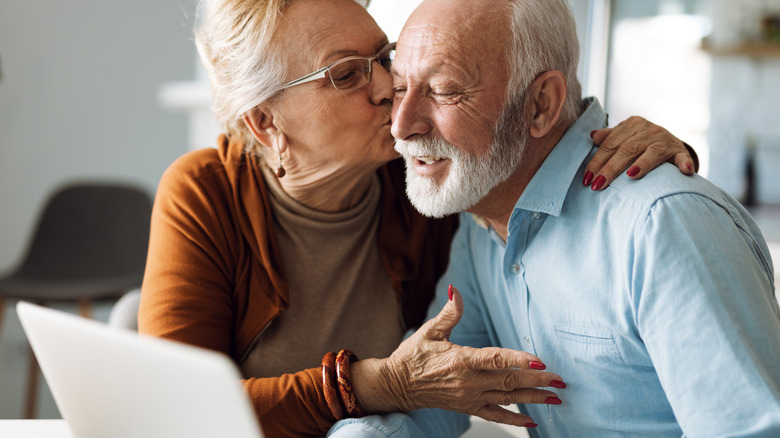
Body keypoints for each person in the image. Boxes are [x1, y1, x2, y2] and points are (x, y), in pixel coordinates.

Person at [138, 0, 700, 436]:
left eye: (383, 57)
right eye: (346, 75)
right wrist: (377, 384)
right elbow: (175, 415)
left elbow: (528, 152)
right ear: (265, 123)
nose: (388, 89)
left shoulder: (427, 179)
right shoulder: (206, 191)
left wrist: (619, 145)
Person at [329, 0, 780, 436]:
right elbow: (431, 390)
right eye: (401, 88)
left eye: (444, 89)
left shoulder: (663, 225)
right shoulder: (481, 222)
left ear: (541, 104)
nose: (401, 125)